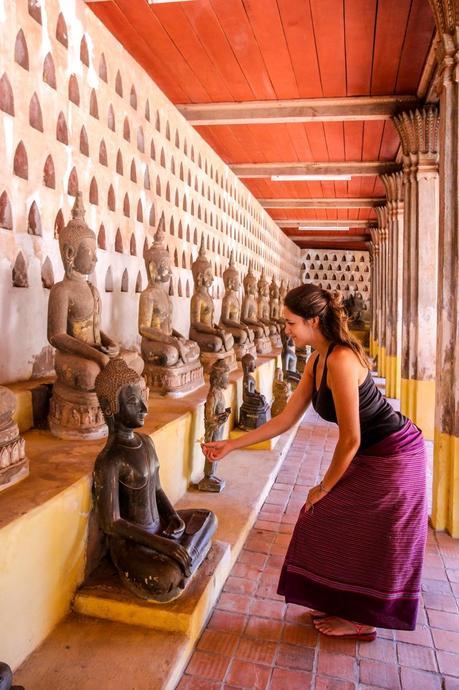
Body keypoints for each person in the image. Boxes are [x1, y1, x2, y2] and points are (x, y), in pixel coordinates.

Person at [203, 283, 427, 641]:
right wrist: (232, 444)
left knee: (329, 514)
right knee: (326, 521)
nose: (286, 330)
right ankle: (344, 602)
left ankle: (364, 619)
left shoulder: (340, 360)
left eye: (291, 323)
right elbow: (285, 419)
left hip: (396, 455)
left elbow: (350, 439)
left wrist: (323, 486)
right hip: (372, 452)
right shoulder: (317, 360)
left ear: (314, 321)